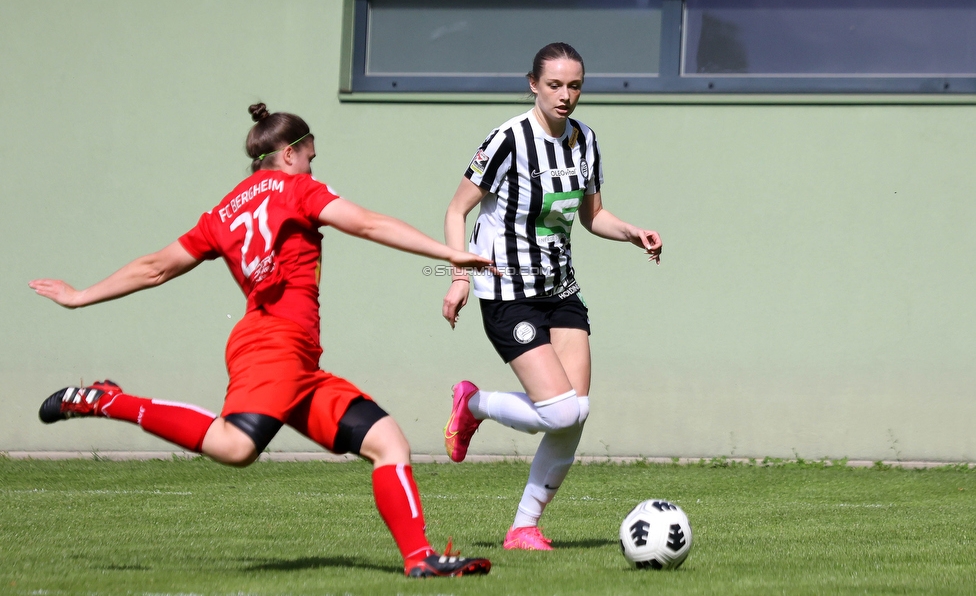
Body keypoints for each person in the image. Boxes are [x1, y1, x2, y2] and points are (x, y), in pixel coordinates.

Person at [30, 103, 493, 579]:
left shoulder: (224, 209)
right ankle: (107, 401)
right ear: (290, 154)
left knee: (388, 441)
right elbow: (368, 223)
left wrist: (81, 296)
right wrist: (452, 253)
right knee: (235, 448)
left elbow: (156, 267)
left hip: (294, 358)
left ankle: (421, 560)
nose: (314, 165)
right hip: (273, 344)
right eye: (311, 156)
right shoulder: (298, 189)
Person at [441, 43, 663, 551]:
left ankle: (523, 527)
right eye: (555, 85)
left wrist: (631, 231)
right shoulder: (507, 139)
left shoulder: (586, 140)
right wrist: (458, 276)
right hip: (506, 289)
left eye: (575, 85)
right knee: (559, 411)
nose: (566, 96)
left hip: (560, 288)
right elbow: (457, 211)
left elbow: (590, 216)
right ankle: (472, 404)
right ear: (534, 85)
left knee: (575, 412)